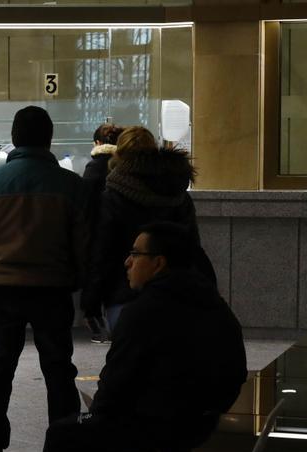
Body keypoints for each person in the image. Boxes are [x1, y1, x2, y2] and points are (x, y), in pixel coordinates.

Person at [5, 221, 246, 452]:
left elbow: (116, 383)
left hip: (157, 426)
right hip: (203, 422)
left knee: (64, 437)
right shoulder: (216, 305)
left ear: (159, 262)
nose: (127, 262)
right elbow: (235, 371)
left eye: (135, 254)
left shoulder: (144, 311)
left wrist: (100, 415)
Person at [0, 105, 90, 452]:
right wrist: (76, 283)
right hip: (53, 290)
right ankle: (64, 451)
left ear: (13, 139)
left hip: (3, 291)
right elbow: (83, 245)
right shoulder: (70, 186)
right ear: (48, 139)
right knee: (59, 369)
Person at [81, 126, 215, 335]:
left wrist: (91, 301)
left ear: (120, 154)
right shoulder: (178, 193)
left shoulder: (113, 197)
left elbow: (103, 252)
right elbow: (192, 246)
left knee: (131, 358)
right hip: (176, 292)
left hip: (124, 293)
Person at [82, 123, 123, 343]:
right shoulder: (126, 167)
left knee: (95, 275)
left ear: (98, 143)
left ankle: (94, 320)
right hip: (122, 231)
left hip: (97, 231)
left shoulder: (94, 167)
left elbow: (85, 202)